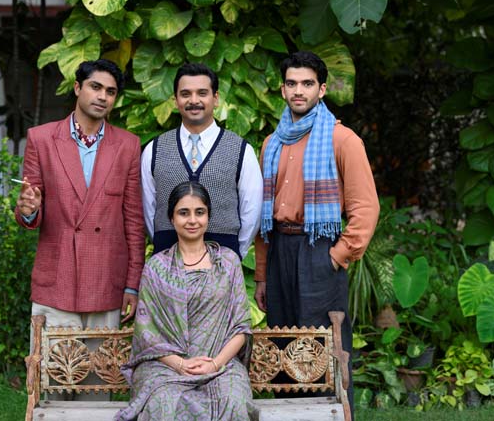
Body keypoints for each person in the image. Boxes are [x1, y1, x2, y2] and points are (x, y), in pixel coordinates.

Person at [253, 51, 380, 413]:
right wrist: (262, 275)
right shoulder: (272, 143)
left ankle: (333, 416)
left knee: (325, 345)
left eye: (307, 83)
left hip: (320, 250)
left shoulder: (343, 140)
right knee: (284, 344)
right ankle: (290, 417)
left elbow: (366, 208)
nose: (299, 90)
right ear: (282, 90)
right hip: (280, 249)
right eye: (291, 83)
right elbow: (265, 218)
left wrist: (337, 255)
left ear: (321, 89)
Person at [15, 59, 144, 363]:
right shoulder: (42, 139)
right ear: (77, 88)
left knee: (97, 386)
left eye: (110, 92)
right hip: (57, 277)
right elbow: (28, 208)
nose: (102, 96)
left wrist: (132, 284)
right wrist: (29, 210)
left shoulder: (127, 145)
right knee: (53, 381)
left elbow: (134, 221)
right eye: (95, 87)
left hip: (106, 280)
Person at [116, 181, 259, 421]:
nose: (192, 220)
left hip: (220, 363)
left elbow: (241, 328)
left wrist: (215, 364)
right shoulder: (157, 268)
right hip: (165, 366)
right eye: (184, 213)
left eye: (199, 212)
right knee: (164, 403)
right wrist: (180, 364)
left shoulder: (227, 263)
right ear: (172, 219)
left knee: (232, 401)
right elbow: (146, 333)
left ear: (208, 217)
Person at [141, 63, 263, 259]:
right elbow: (148, 208)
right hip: (167, 263)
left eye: (202, 93)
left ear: (215, 99)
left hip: (223, 262)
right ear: (175, 100)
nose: (194, 100)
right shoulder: (154, 150)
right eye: (186, 94)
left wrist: (233, 255)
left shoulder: (240, 150)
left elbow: (252, 211)